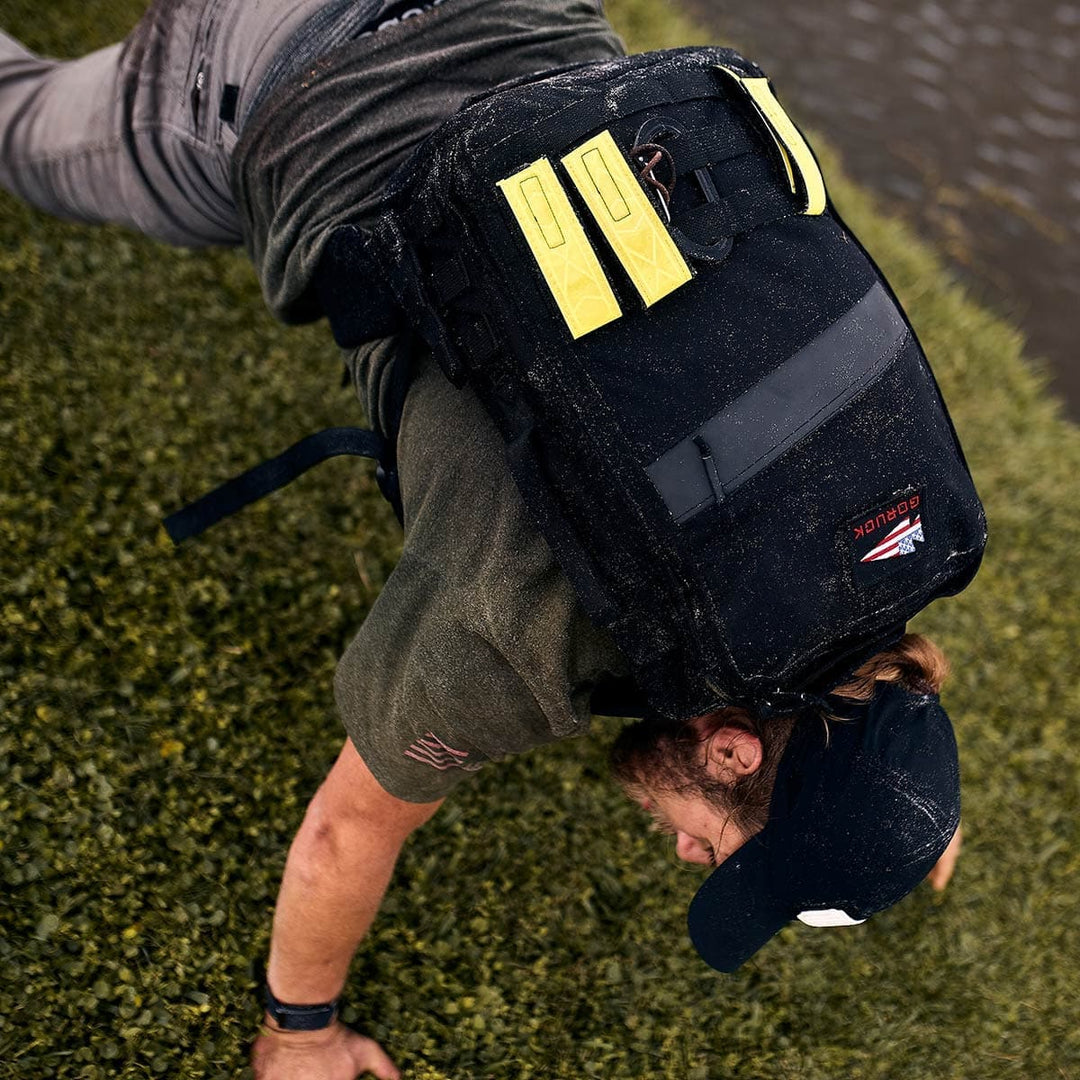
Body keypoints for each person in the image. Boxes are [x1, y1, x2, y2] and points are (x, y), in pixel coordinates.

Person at [1, 3, 964, 1078]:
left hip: (534, 23)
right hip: (282, 65)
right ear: (732, 750)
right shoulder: (531, 643)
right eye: (719, 849)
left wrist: (891, 810)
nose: (688, 852)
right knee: (23, 126)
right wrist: (300, 1031)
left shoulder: (883, 529)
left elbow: (877, 699)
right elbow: (347, 832)